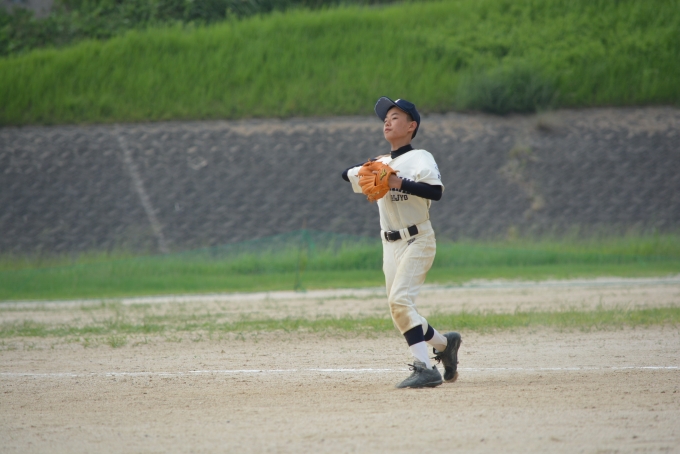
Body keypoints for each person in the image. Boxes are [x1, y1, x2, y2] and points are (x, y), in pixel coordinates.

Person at [341, 97, 461, 389]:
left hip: (418, 240)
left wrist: (398, 182)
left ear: (411, 126)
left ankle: (425, 369)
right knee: (400, 309)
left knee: (399, 302)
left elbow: (435, 192)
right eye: (385, 117)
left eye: (395, 117)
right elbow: (346, 175)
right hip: (390, 245)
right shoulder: (381, 163)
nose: (387, 121)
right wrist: (366, 167)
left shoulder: (420, 157)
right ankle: (445, 345)